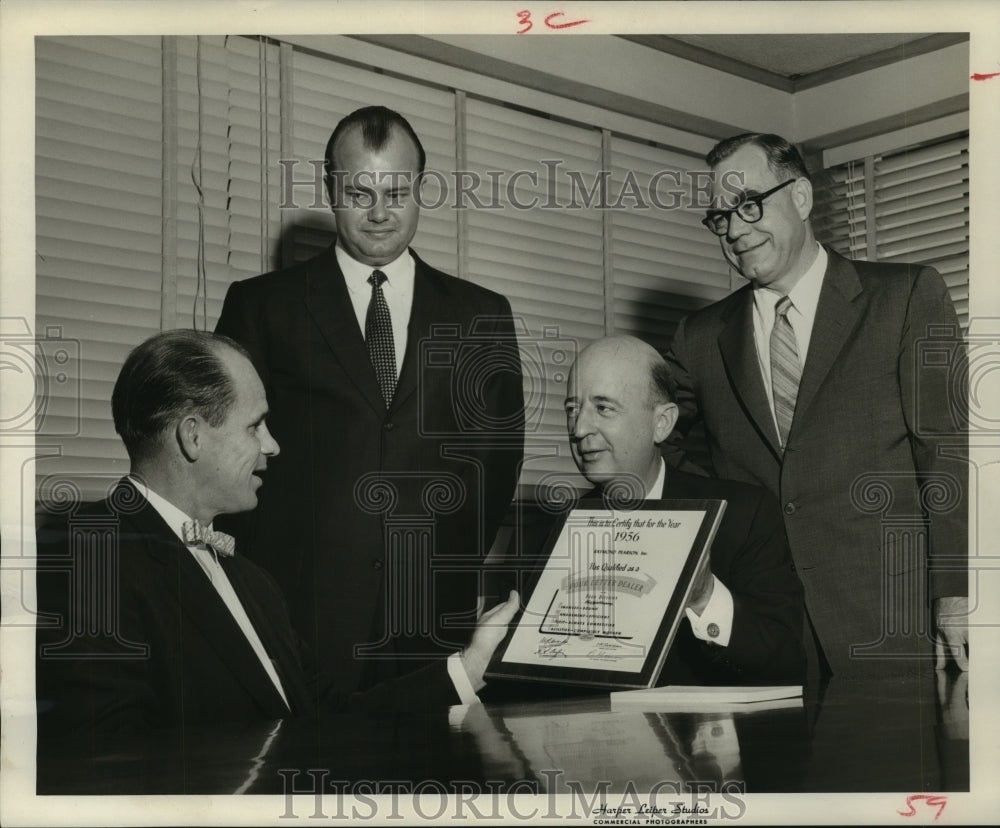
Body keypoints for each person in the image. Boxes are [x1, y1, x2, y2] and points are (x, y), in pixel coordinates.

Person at [35, 330, 519, 740]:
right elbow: (108, 765)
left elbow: (327, 719)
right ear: (193, 435)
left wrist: (470, 665)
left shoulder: (251, 581)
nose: (273, 445)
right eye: (255, 425)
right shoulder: (87, 552)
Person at [215, 106, 525, 691]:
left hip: (432, 615)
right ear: (331, 190)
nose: (380, 212)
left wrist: (442, 573)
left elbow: (495, 464)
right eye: (359, 192)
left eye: (397, 191)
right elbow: (230, 450)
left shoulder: (481, 314)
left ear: (422, 191)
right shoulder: (263, 306)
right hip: (296, 610)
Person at [665, 132, 968, 676]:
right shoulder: (698, 338)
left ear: (801, 198)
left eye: (748, 205)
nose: (734, 230)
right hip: (765, 627)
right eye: (720, 218)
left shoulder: (905, 297)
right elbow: (683, 471)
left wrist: (953, 594)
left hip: (891, 619)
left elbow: (946, 453)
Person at [562, 335, 804, 684]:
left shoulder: (744, 516)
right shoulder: (547, 531)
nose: (580, 429)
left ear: (662, 423)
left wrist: (705, 597)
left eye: (603, 408)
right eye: (572, 409)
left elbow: (787, 665)